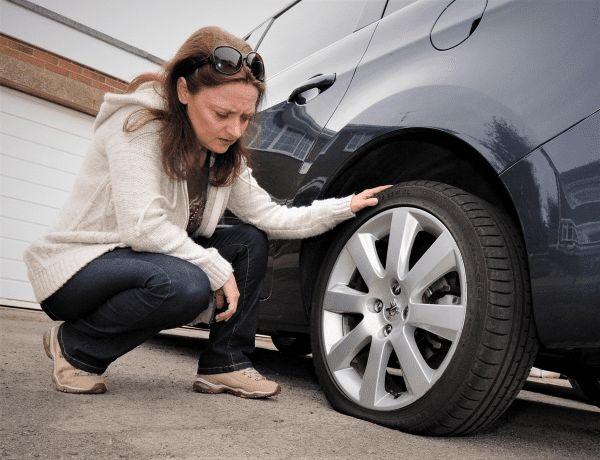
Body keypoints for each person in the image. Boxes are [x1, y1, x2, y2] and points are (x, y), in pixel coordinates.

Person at [23, 26, 389, 398]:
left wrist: (347, 206)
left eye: (245, 118)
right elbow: (142, 227)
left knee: (249, 239)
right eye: (222, 113)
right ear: (184, 91)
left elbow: (272, 217)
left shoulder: (218, 153)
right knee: (187, 286)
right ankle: (75, 347)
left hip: (143, 261)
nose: (234, 129)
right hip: (80, 268)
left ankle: (225, 363)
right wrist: (213, 267)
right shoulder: (136, 125)